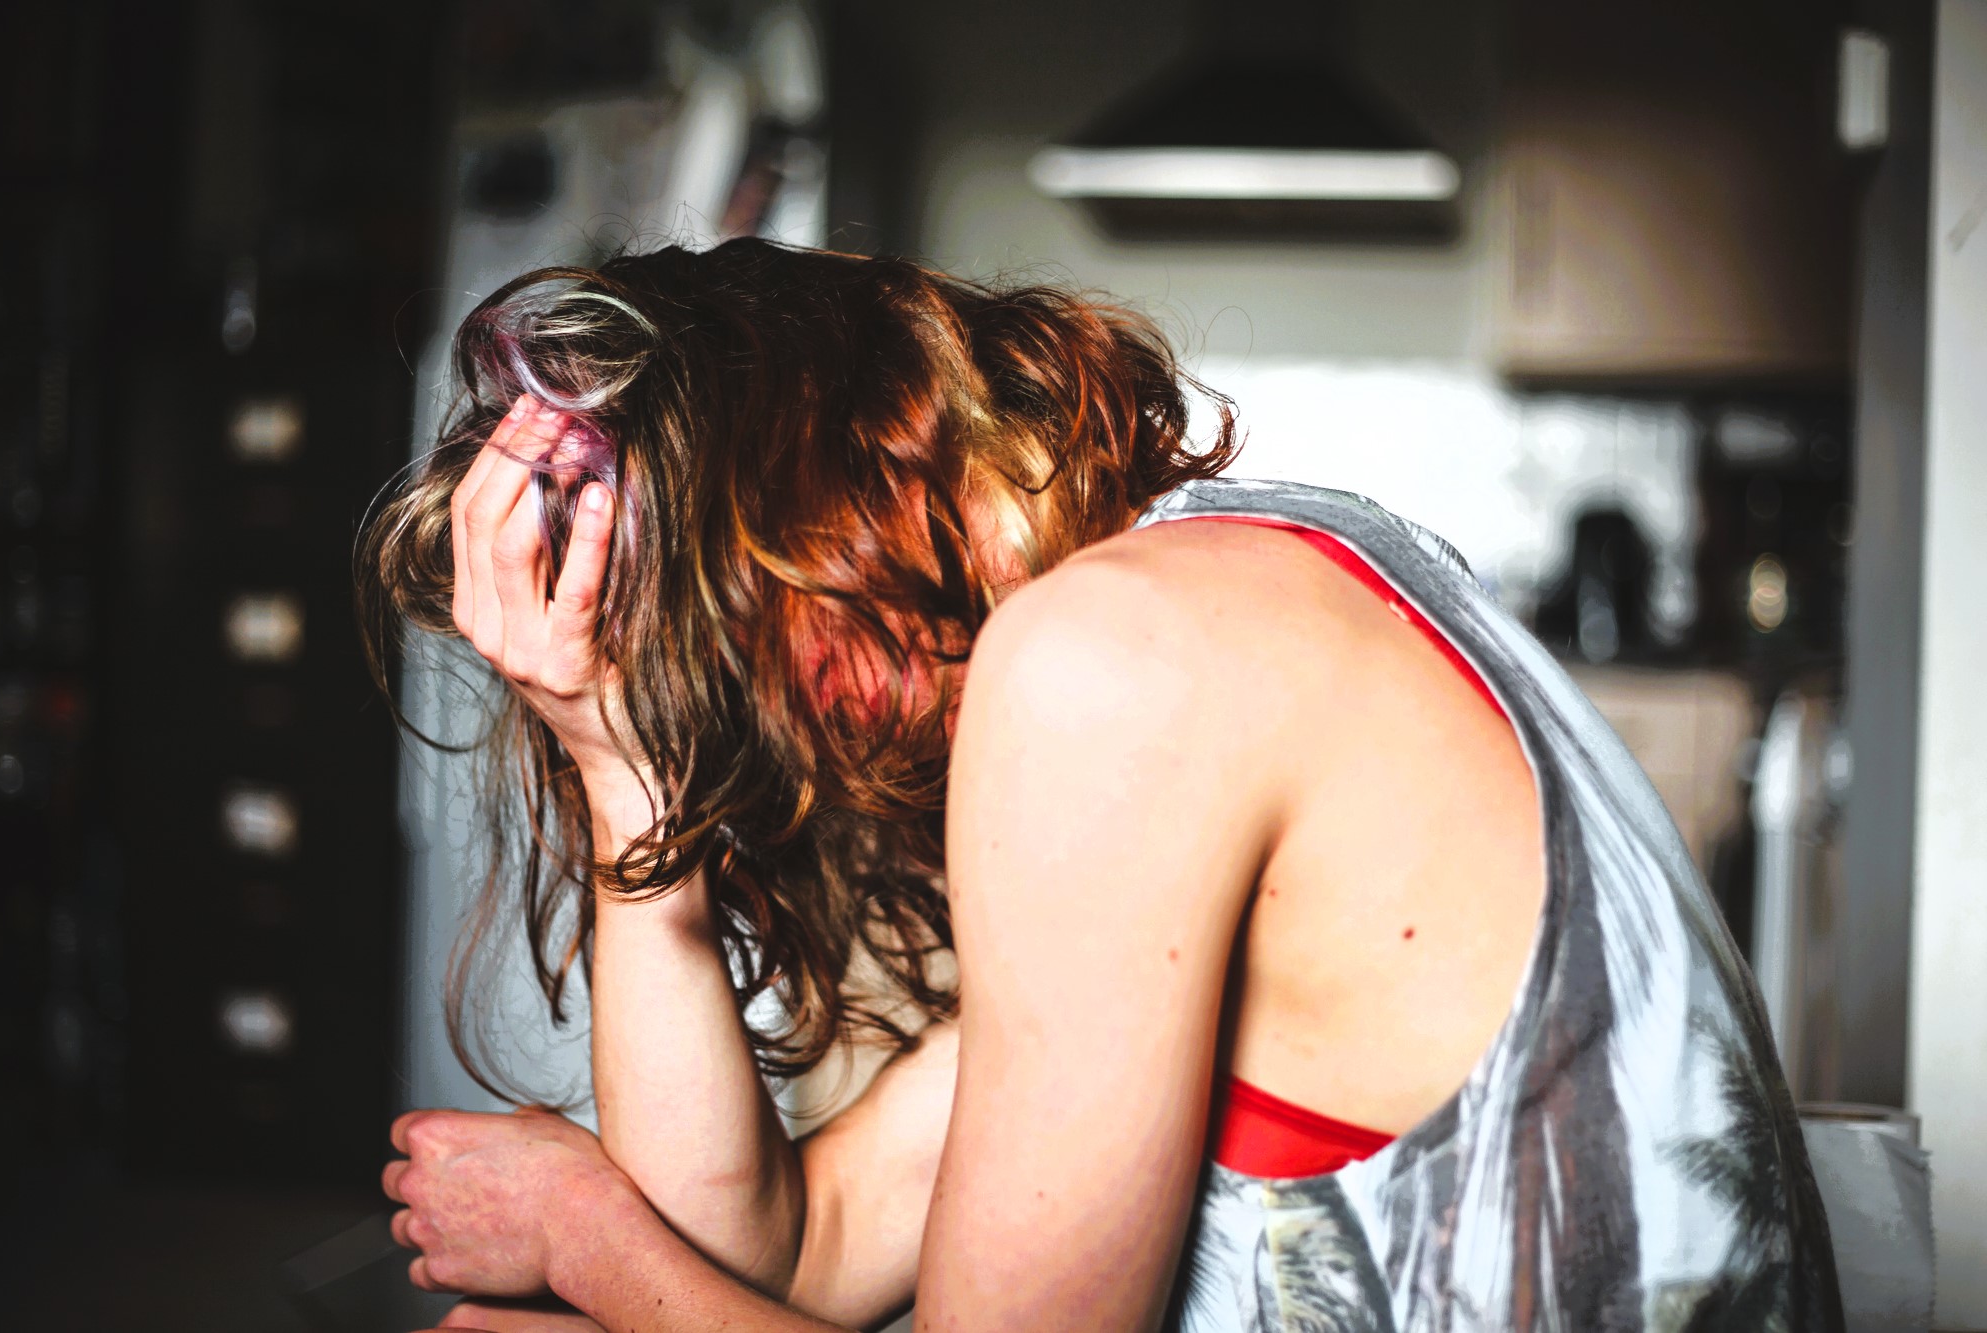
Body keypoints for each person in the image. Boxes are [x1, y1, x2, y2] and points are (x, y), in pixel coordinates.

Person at [360, 239, 1841, 1332]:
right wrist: (616, 766)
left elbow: (684, 1267)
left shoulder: (1113, 666)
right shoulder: (1241, 570)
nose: (788, 755)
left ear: (801, 520)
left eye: (733, 672)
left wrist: (588, 1242)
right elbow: (785, 1247)